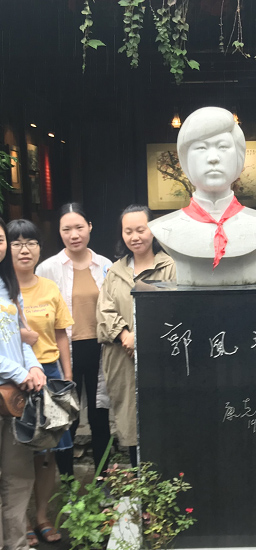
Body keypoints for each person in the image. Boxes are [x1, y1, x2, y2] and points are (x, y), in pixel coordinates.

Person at [149, 106, 256, 286]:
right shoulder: (164, 228)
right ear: (185, 159)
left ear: (239, 156)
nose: (213, 158)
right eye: (201, 148)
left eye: (223, 147)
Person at [7, 219, 74, 547]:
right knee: (17, 454)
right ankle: (20, 522)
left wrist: (66, 375)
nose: (24, 249)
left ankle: (43, 516)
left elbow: (61, 334)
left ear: (39, 248)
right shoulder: (4, 288)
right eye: (17, 242)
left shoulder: (48, 287)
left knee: (47, 452)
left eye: (31, 242)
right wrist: (21, 335)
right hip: (13, 377)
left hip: (47, 373)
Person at [97, 205, 176, 467]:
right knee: (130, 419)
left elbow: (173, 310)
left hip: (160, 357)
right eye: (128, 231)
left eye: (140, 230)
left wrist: (140, 336)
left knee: (162, 418)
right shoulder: (115, 271)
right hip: (123, 357)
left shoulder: (170, 267)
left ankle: (164, 481)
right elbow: (104, 309)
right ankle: (138, 482)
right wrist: (124, 335)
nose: (135, 237)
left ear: (152, 230)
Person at [36, 203, 111, 477]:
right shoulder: (48, 268)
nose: (74, 234)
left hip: (100, 349)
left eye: (79, 227)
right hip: (64, 352)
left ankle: (101, 479)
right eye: (66, 229)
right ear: (59, 232)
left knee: (100, 418)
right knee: (67, 419)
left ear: (89, 226)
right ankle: (68, 484)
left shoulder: (106, 265)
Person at [0, 217, 47, 550]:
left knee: (18, 475)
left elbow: (22, 337)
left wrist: (34, 366)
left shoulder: (9, 285)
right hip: (13, 383)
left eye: (0, 238)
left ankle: (16, 543)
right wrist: (19, 372)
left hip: (14, 398)